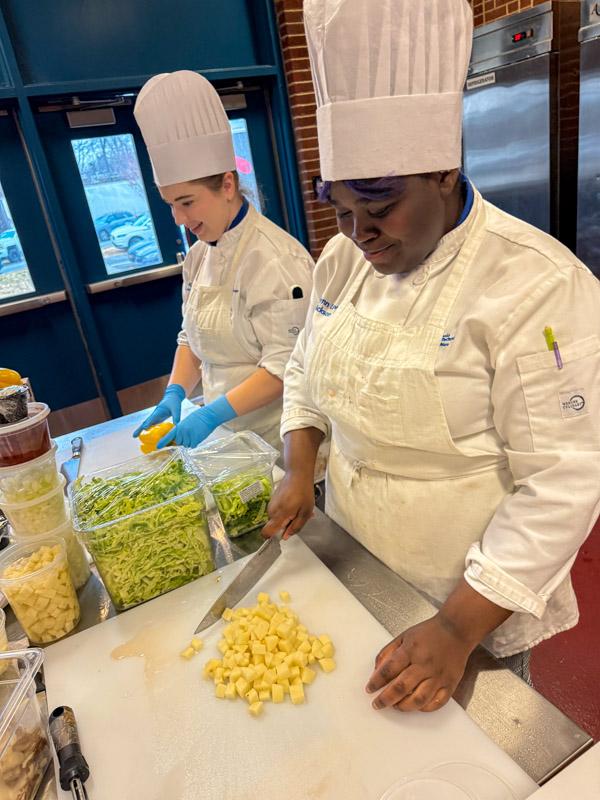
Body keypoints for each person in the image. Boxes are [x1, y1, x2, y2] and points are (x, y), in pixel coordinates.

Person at [263, 0, 600, 712]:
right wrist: (300, 465)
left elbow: (562, 485)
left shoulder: (536, 287)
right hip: (356, 564)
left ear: (445, 172)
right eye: (341, 210)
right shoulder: (340, 260)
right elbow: (305, 367)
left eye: (379, 208)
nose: (360, 235)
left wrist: (456, 626)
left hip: (472, 602)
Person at [133, 71, 314, 452]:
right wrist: (176, 392)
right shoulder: (199, 256)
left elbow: (287, 367)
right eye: (171, 205)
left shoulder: (276, 259)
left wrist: (210, 414)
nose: (180, 220)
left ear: (228, 185)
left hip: (279, 441)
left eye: (187, 202)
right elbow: (192, 337)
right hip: (230, 440)